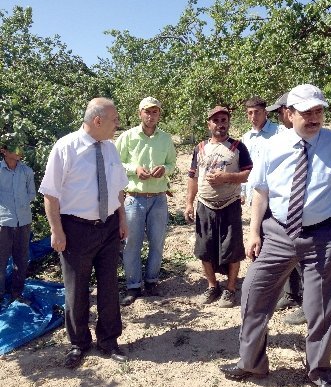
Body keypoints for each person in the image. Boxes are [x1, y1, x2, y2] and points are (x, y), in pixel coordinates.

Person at [219, 84, 331, 387]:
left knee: (321, 307)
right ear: (289, 114)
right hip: (278, 234)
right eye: (306, 112)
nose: (314, 118)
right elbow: (260, 191)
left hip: (322, 236)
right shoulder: (273, 146)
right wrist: (255, 232)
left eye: (319, 111)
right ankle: (252, 363)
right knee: (252, 294)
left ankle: (320, 371)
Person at [39, 97, 128, 369]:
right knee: (76, 290)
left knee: (109, 286)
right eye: (114, 120)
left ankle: (108, 340)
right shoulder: (66, 147)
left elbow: (118, 189)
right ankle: (79, 343)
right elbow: (50, 194)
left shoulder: (111, 149)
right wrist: (57, 231)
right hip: (76, 230)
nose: (118, 125)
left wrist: (122, 219)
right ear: (98, 120)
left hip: (110, 227)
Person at [185, 106, 252, 308]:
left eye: (224, 120)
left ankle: (230, 289)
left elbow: (247, 174)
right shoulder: (200, 148)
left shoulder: (238, 147)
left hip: (229, 204)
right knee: (205, 248)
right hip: (205, 204)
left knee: (232, 248)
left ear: (228, 123)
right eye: (216, 121)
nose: (220, 124)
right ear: (209, 124)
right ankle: (212, 286)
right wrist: (189, 202)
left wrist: (227, 178)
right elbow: (193, 177)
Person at [115, 96, 176, 306]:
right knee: (132, 244)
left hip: (158, 198)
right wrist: (135, 170)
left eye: (155, 112)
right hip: (134, 199)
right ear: (140, 113)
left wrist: (164, 170)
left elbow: (172, 163)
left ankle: (151, 281)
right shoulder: (127, 137)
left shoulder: (166, 139)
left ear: (159, 114)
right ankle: (133, 286)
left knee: (157, 242)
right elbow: (115, 163)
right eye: (147, 112)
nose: (151, 116)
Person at [267, 93, 305, 322]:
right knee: (289, 253)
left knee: (306, 259)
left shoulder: (313, 140)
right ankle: (292, 293)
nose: (279, 117)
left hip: (305, 212)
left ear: (289, 111)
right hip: (285, 209)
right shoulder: (284, 139)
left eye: (280, 112)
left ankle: (310, 305)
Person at [0, 144, 36, 304]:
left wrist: (20, 205)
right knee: (0, 261)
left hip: (24, 221)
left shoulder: (26, 171)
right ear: (4, 151)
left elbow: (32, 193)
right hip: (3, 223)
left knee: (21, 260)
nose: (19, 152)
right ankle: (0, 296)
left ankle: (17, 294)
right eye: (15, 148)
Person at [241, 96, 279, 204]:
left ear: (265, 112)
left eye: (257, 112)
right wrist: (242, 191)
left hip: (274, 193)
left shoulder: (278, 132)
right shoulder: (246, 138)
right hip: (254, 194)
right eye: (250, 113)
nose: (253, 116)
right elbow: (244, 166)